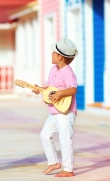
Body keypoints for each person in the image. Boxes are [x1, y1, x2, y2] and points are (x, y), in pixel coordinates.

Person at [33, 38, 78, 177]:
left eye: (54, 52)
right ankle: (53, 162)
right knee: (45, 135)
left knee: (65, 138)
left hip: (65, 111)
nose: (51, 54)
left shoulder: (67, 71)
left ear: (60, 57)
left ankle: (68, 169)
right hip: (54, 111)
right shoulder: (53, 69)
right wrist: (40, 89)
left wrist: (60, 94)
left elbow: (72, 89)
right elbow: (51, 88)